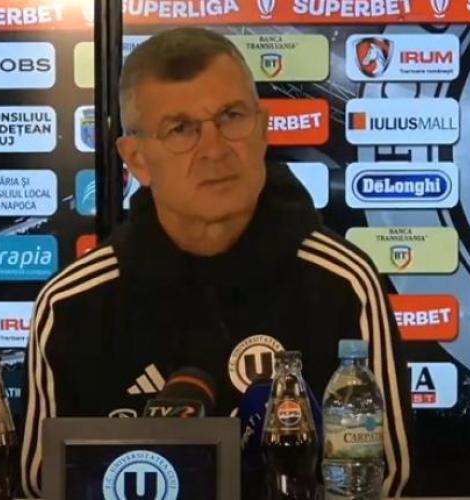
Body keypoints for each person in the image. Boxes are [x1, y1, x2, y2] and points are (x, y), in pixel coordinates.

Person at [20, 27, 410, 498]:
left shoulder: (344, 282)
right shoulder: (71, 305)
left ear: (263, 129)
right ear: (137, 159)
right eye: (181, 129)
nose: (215, 149)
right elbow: (43, 486)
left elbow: (385, 479)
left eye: (231, 117)